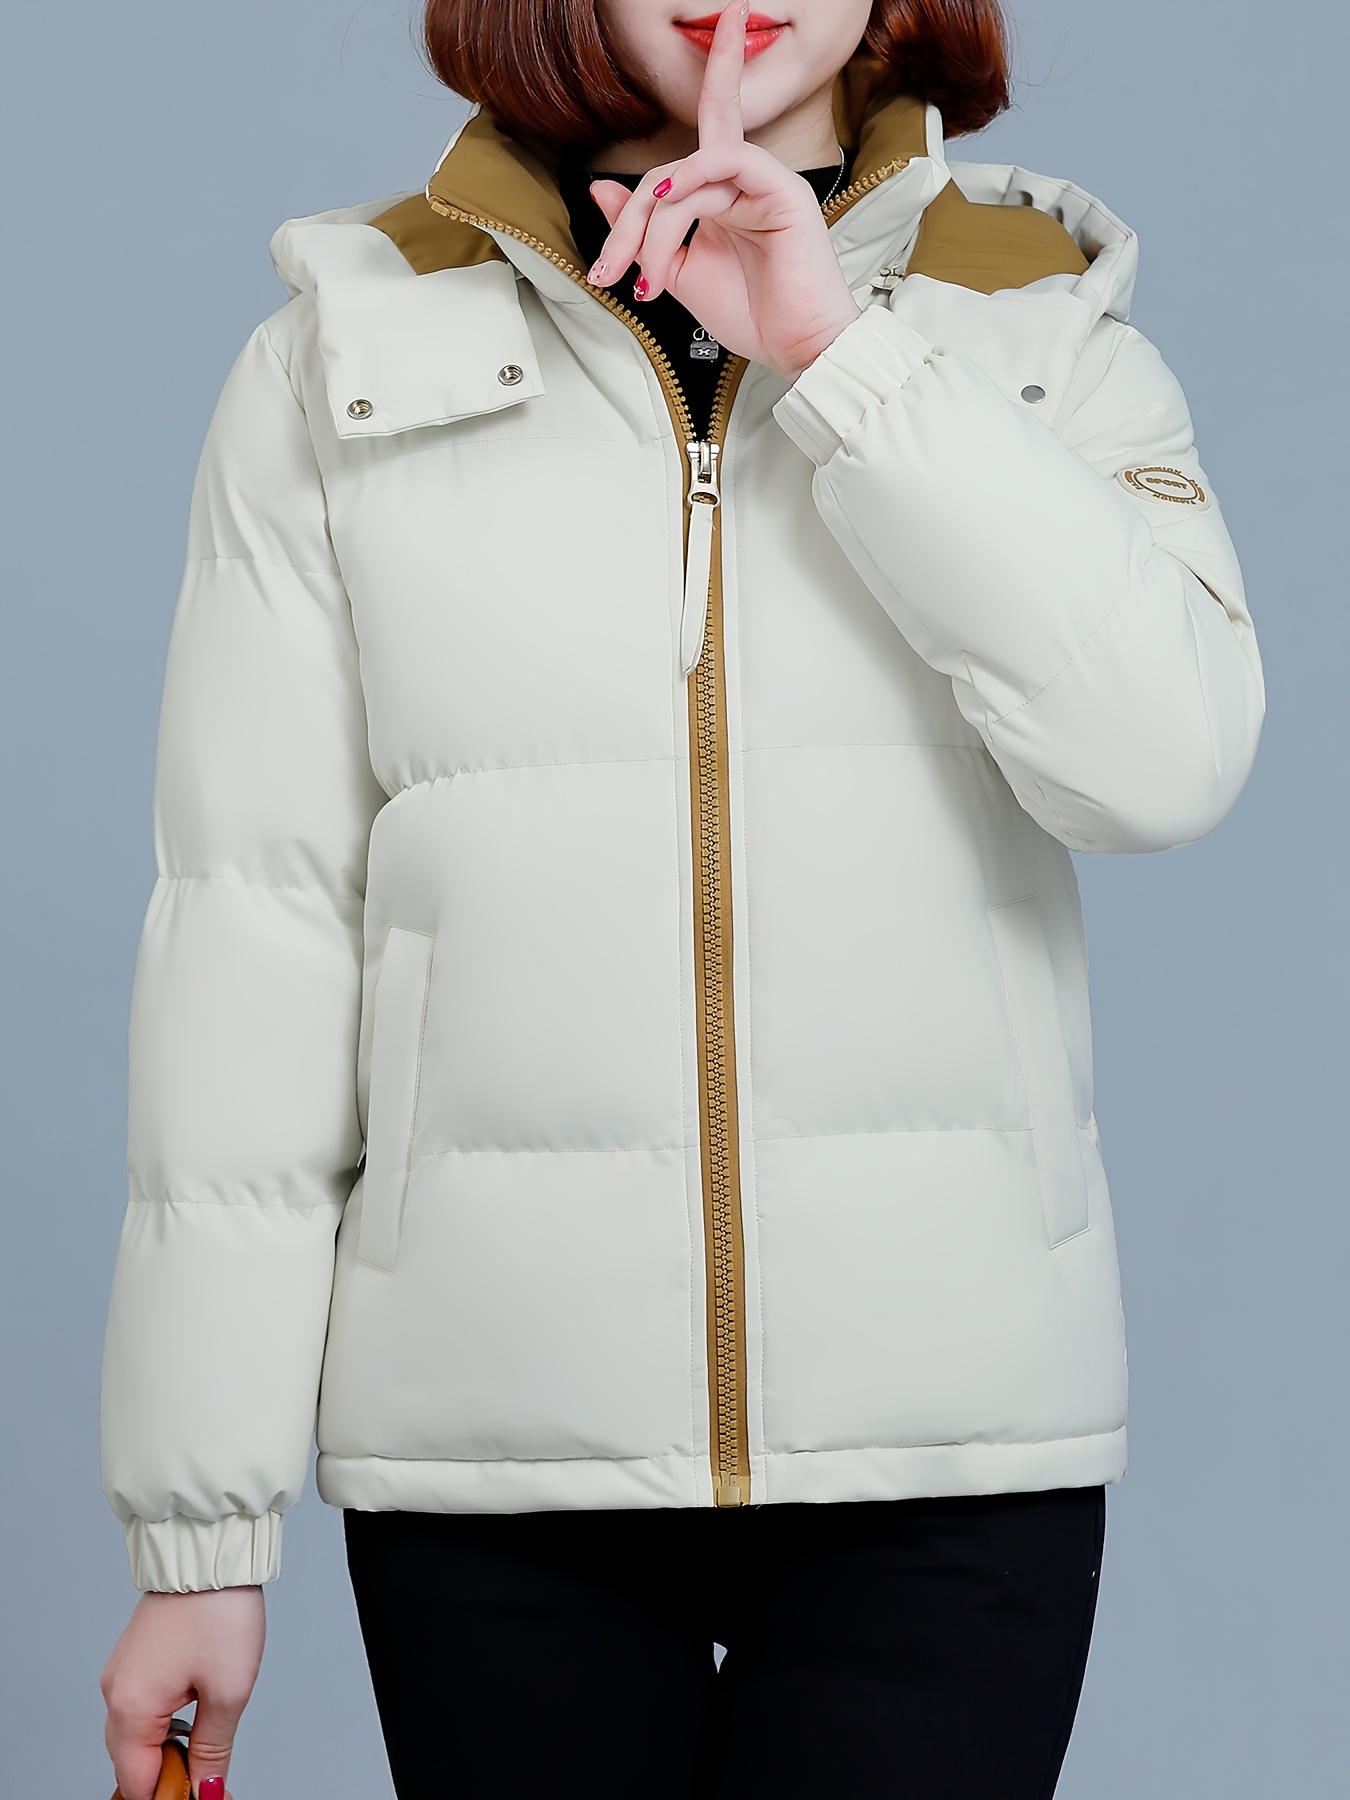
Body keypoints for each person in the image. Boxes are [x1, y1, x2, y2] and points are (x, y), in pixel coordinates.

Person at [98, 2, 1265, 1795]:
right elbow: (252, 939)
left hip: (948, 1445)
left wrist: (837, 353)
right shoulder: (347, 340)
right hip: (495, 1458)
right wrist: (200, 1534)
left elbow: (1160, 763)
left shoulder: (1037, 317)